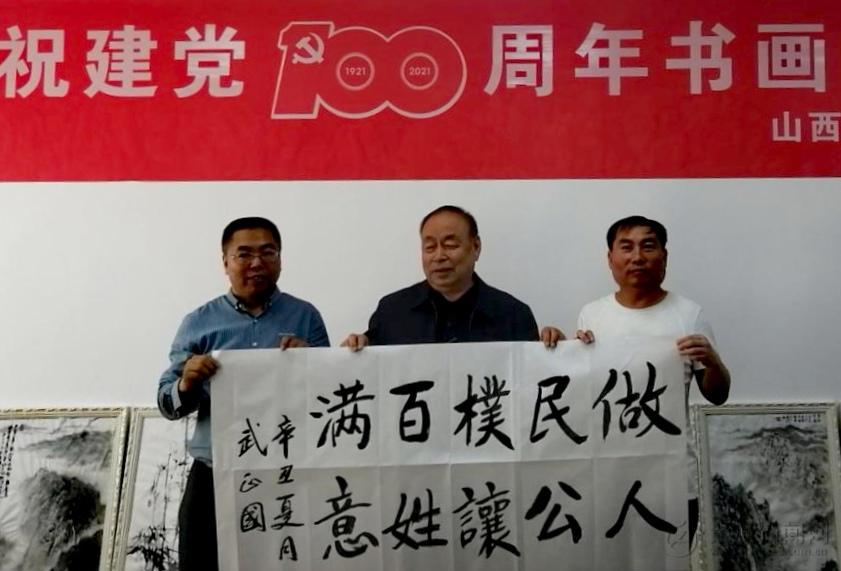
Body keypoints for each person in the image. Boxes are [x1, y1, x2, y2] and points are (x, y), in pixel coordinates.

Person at [157, 217, 329, 571]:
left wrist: (311, 364)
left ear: (280, 259)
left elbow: (327, 397)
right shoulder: (199, 322)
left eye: (268, 252)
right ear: (225, 262)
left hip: (287, 472)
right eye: (244, 254)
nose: (256, 263)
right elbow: (167, 404)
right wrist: (187, 383)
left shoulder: (306, 317)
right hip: (213, 474)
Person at [575, 214, 730, 543]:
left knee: (669, 561)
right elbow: (583, 393)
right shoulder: (592, 315)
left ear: (664, 257)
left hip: (672, 479)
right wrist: (563, 349)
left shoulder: (689, 315)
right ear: (610, 258)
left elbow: (718, 395)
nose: (637, 257)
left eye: (648, 246)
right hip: (608, 476)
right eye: (626, 247)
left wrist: (713, 361)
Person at [342, 205, 563, 348]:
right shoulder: (392, 311)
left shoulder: (513, 314)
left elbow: (531, 384)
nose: (439, 256)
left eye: (450, 245)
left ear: (475, 247)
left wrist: (557, 350)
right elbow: (373, 376)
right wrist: (356, 348)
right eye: (430, 247)